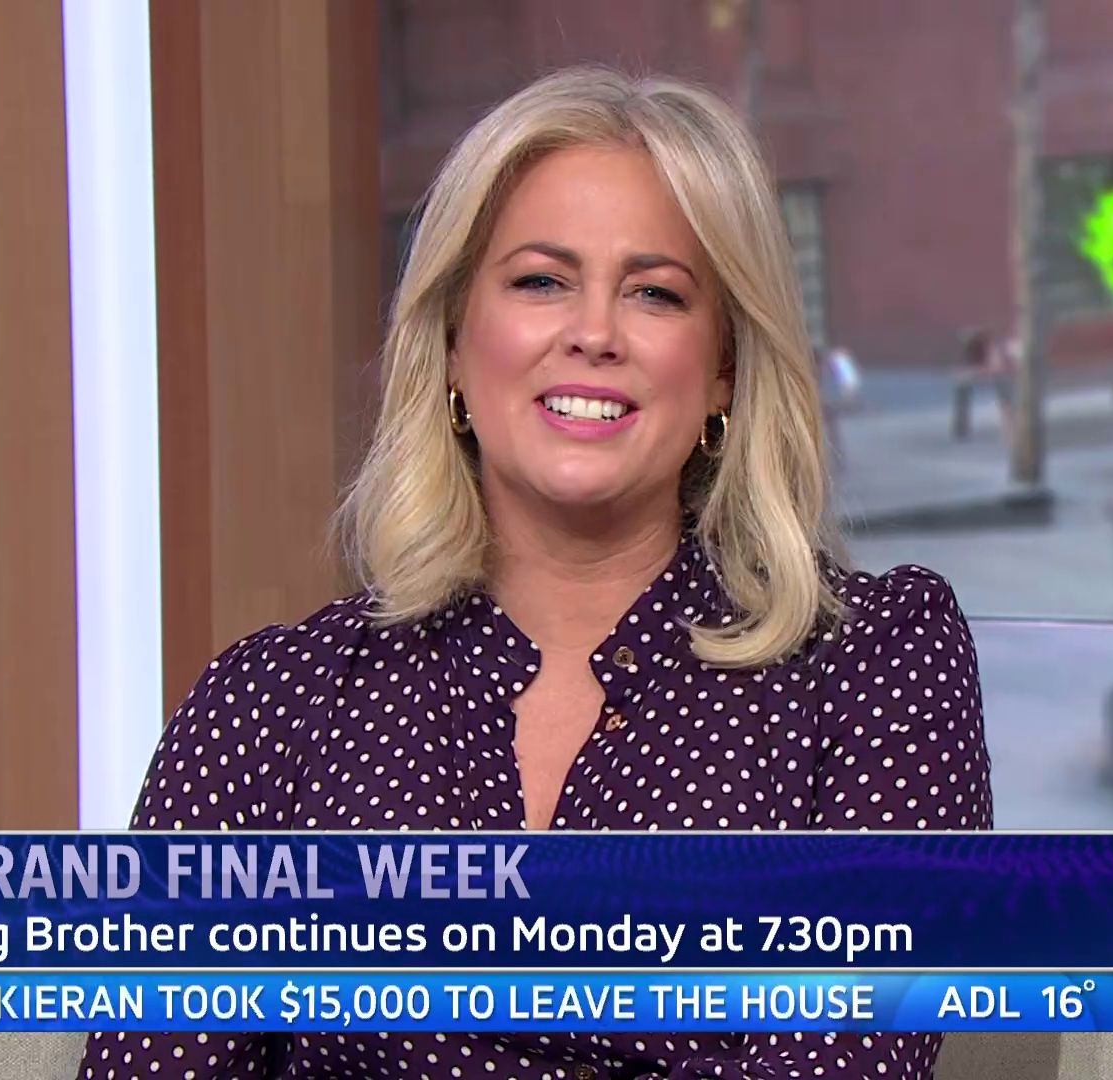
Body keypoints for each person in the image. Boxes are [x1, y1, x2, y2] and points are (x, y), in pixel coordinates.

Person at [80, 66, 991, 1080]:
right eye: (541, 282)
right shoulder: (268, 705)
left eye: (655, 293)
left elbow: (847, 1060)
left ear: (724, 371)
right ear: (454, 343)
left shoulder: (874, 663)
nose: (593, 333)